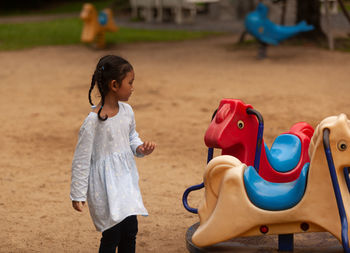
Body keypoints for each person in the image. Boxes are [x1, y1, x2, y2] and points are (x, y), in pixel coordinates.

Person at [70, 55, 156, 253]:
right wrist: (77, 193)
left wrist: (140, 148)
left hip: (125, 182)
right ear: (115, 85)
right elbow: (81, 160)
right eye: (130, 82)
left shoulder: (127, 111)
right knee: (112, 235)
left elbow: (132, 137)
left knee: (130, 230)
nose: (133, 87)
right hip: (105, 188)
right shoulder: (92, 122)